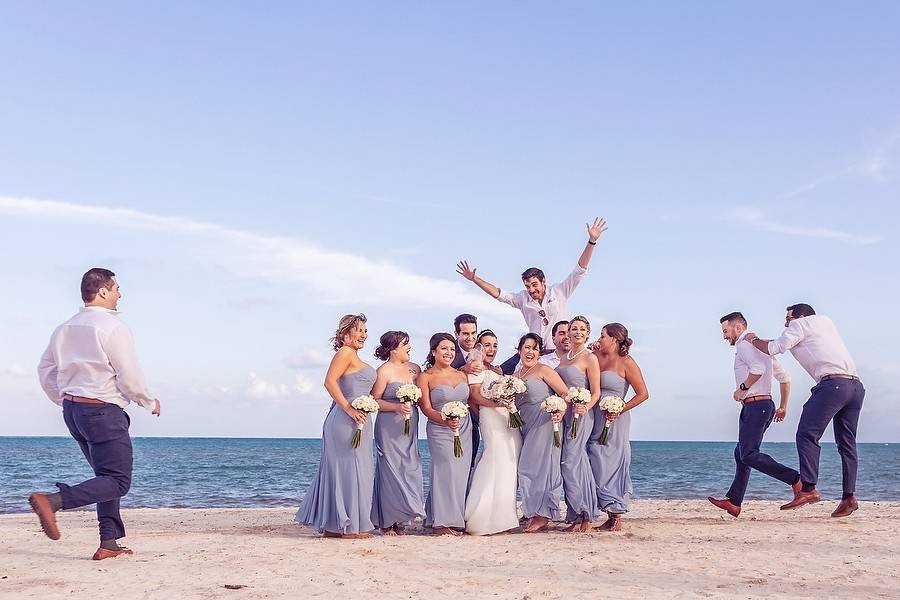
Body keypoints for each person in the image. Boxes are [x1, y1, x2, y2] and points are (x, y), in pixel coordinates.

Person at [33, 268, 161, 560]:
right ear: (102, 291)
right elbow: (128, 375)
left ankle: (109, 542)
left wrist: (63, 399)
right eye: (116, 287)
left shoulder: (64, 328)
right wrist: (147, 401)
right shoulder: (113, 327)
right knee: (117, 480)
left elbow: (45, 370)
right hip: (102, 410)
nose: (120, 293)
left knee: (105, 477)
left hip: (74, 411)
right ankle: (52, 501)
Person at [745, 304, 864, 518]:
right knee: (847, 444)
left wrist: (753, 340)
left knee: (806, 434)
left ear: (799, 316)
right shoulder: (825, 322)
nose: (785, 323)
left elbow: (774, 348)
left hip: (832, 385)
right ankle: (849, 497)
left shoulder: (800, 324)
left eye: (787, 318)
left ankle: (808, 489)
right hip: (855, 387)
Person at [455, 217, 608, 374]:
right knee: (499, 373)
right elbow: (498, 294)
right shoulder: (523, 299)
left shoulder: (559, 291)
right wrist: (475, 279)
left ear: (543, 282)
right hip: (533, 353)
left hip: (557, 352)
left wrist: (592, 241)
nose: (531, 290)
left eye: (534, 285)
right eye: (527, 286)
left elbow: (579, 270)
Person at [708, 313, 800, 518]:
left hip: (757, 406)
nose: (724, 336)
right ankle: (734, 502)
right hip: (761, 406)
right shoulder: (759, 347)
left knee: (748, 454)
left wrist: (742, 388)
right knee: (741, 453)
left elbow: (757, 370)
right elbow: (785, 377)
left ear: (738, 328)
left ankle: (796, 480)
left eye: (725, 331)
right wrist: (783, 406)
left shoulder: (744, 345)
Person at [296, 314, 377, 538]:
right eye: (359, 330)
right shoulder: (345, 352)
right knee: (347, 469)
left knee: (357, 469)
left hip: (360, 419)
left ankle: (339, 525)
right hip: (345, 419)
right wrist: (349, 409)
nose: (364, 335)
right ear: (345, 333)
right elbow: (329, 382)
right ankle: (346, 526)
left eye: (365, 331)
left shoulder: (354, 356)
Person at [588, 323, 649, 531]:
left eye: (603, 335)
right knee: (594, 459)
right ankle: (605, 506)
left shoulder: (626, 362)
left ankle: (615, 513)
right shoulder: (595, 357)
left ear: (614, 339)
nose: (600, 338)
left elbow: (643, 394)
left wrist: (620, 408)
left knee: (613, 463)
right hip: (593, 415)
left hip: (615, 419)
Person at [464, 330, 521, 535]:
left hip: (506, 418)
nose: (492, 349)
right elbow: (475, 396)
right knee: (494, 459)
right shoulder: (476, 367)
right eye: (487, 345)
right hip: (490, 417)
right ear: (479, 346)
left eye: (495, 345)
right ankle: (483, 517)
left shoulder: (497, 370)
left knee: (509, 463)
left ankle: (505, 517)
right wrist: (497, 403)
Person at [370, 331, 425, 535]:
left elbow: (422, 396)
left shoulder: (415, 369)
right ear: (393, 349)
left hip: (410, 425)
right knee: (390, 471)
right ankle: (387, 522)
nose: (409, 347)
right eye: (405, 344)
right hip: (388, 427)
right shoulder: (383, 371)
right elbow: (374, 400)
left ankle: (402, 518)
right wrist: (395, 408)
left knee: (409, 468)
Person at [513, 333, 570, 533]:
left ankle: (543, 514)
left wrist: (561, 409)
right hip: (525, 425)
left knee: (540, 467)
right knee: (527, 468)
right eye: (527, 347)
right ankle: (533, 510)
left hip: (545, 422)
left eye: (535, 348)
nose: (530, 352)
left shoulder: (544, 370)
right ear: (519, 349)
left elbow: (564, 393)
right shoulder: (514, 377)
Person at [417, 333, 472, 536]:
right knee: (445, 470)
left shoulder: (461, 375)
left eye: (451, 349)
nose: (449, 353)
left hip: (464, 428)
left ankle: (445, 517)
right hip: (439, 428)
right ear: (434, 351)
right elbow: (426, 408)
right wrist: (444, 419)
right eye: (444, 349)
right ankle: (442, 523)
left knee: (460, 472)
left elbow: (471, 401)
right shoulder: (426, 377)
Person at [556, 315, 602, 532]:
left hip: (581, 416)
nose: (576, 332)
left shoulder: (590, 358)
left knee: (570, 461)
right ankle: (577, 515)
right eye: (573, 329)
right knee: (576, 462)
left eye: (581, 329)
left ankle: (585, 512)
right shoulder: (564, 358)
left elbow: (596, 391)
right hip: (564, 415)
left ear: (587, 333)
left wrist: (586, 407)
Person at [450, 313, 483, 464]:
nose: (470, 337)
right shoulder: (448, 351)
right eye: (465, 334)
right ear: (456, 334)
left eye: (473, 333)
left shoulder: (479, 352)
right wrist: (463, 368)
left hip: (475, 421)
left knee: (470, 465)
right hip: (452, 421)